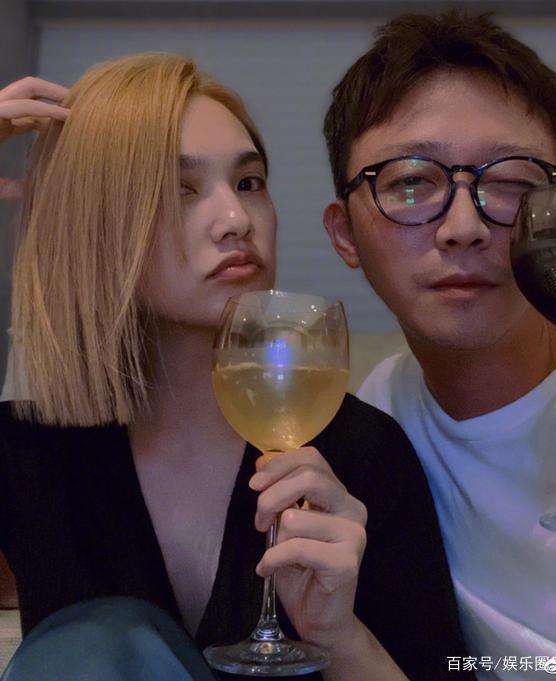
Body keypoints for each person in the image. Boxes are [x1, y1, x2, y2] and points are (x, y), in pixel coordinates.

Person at [0, 55, 468, 680]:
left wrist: (338, 634)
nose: (236, 221)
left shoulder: (358, 454)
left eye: (248, 183)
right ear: (94, 223)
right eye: (180, 190)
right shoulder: (28, 452)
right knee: (98, 638)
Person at [322, 10, 556, 677]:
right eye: (412, 181)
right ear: (344, 234)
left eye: (512, 182)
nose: (463, 227)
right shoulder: (377, 428)